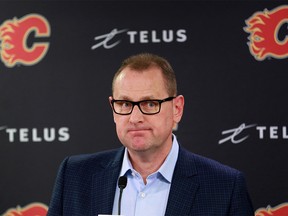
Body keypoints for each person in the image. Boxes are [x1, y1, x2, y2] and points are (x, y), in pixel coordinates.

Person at [47, 53, 254, 216]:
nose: (135, 117)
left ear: (177, 108)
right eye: (125, 104)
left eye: (150, 103)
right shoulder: (75, 176)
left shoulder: (225, 187)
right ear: (113, 108)